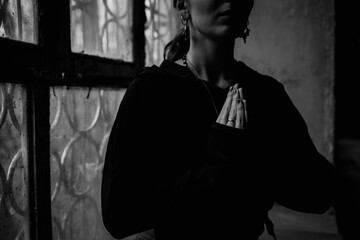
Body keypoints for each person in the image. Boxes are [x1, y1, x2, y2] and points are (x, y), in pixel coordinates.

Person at [101, 0, 335, 239]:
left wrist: (255, 156)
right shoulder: (151, 91)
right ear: (183, 3)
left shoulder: (266, 94)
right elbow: (118, 214)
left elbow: (319, 194)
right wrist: (219, 169)